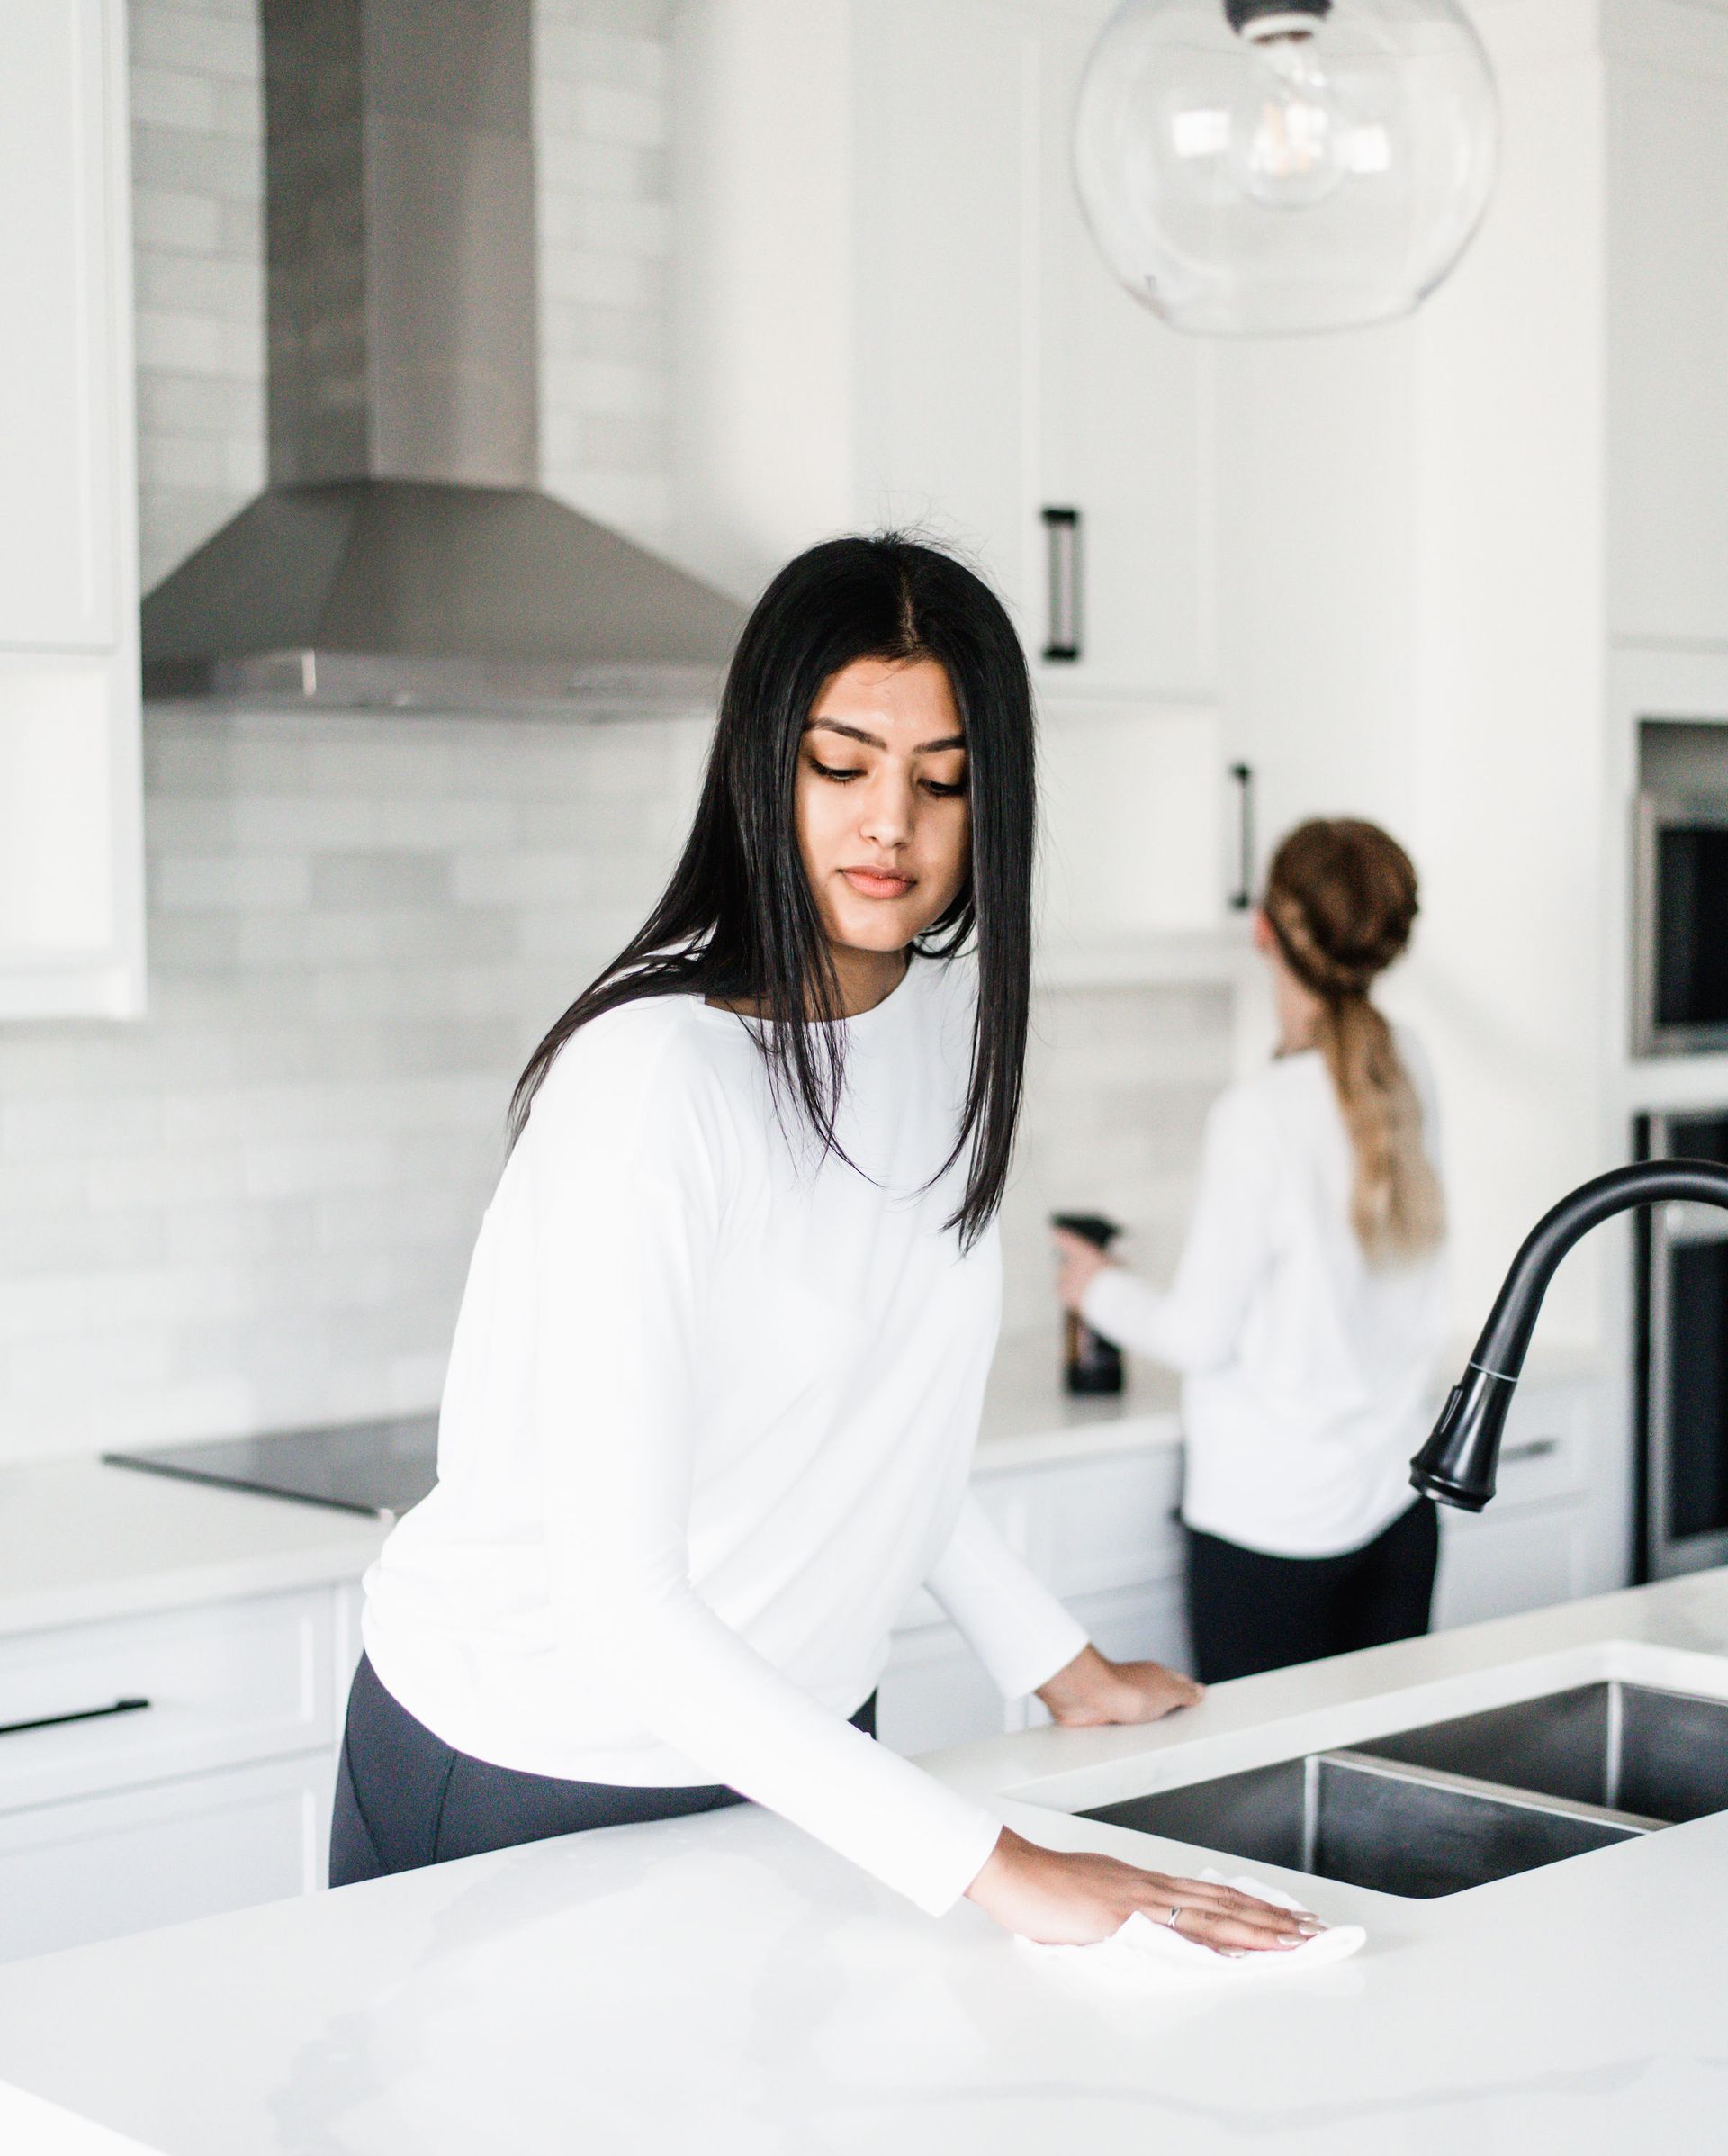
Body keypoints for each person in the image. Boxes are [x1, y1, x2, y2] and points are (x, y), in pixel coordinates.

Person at [331, 536, 1319, 1956]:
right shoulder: (658, 1080)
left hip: (792, 1747)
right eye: (842, 766)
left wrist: (1056, 1665)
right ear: (763, 768)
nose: (892, 827)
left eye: (943, 780)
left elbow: (883, 1434)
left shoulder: (935, 1022)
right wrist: (994, 1863)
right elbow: (624, 1605)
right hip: (535, 1759)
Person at [1055, 818, 1449, 1685]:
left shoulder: (1261, 1114)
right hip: (1396, 1515)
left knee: (1263, 1805)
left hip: (1273, 1535)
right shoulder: (1407, 1065)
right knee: (1387, 1794)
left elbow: (1200, 1336)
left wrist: (1097, 1287)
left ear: (1264, 927)